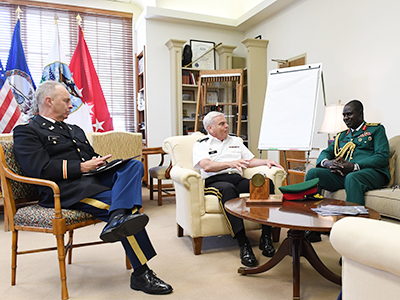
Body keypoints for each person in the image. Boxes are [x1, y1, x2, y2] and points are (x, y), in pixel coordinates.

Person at [13, 81, 173, 295]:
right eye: (66, 100)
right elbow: (38, 168)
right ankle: (141, 273)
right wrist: (80, 167)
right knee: (130, 212)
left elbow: (88, 156)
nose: (71, 105)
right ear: (49, 101)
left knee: (133, 165)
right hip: (64, 191)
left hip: (92, 179)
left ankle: (116, 218)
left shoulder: (74, 129)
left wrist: (99, 161)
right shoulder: (27, 131)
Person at [192, 111, 285, 267]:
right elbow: (207, 166)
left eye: (226, 122)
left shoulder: (235, 140)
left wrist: (267, 161)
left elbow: (249, 161)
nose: (227, 125)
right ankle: (244, 244)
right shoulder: (201, 144)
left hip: (237, 178)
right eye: (222, 124)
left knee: (266, 184)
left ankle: (266, 237)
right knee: (228, 190)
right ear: (210, 128)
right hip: (215, 181)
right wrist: (230, 163)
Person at [305, 99, 390, 242]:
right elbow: (326, 152)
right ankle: (312, 227)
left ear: (360, 114)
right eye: (344, 115)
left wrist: (354, 165)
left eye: (349, 114)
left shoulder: (376, 130)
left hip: (371, 173)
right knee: (313, 173)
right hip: (346, 173)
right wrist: (327, 163)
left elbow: (382, 157)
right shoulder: (342, 136)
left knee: (353, 177)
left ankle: (351, 236)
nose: (345, 118)